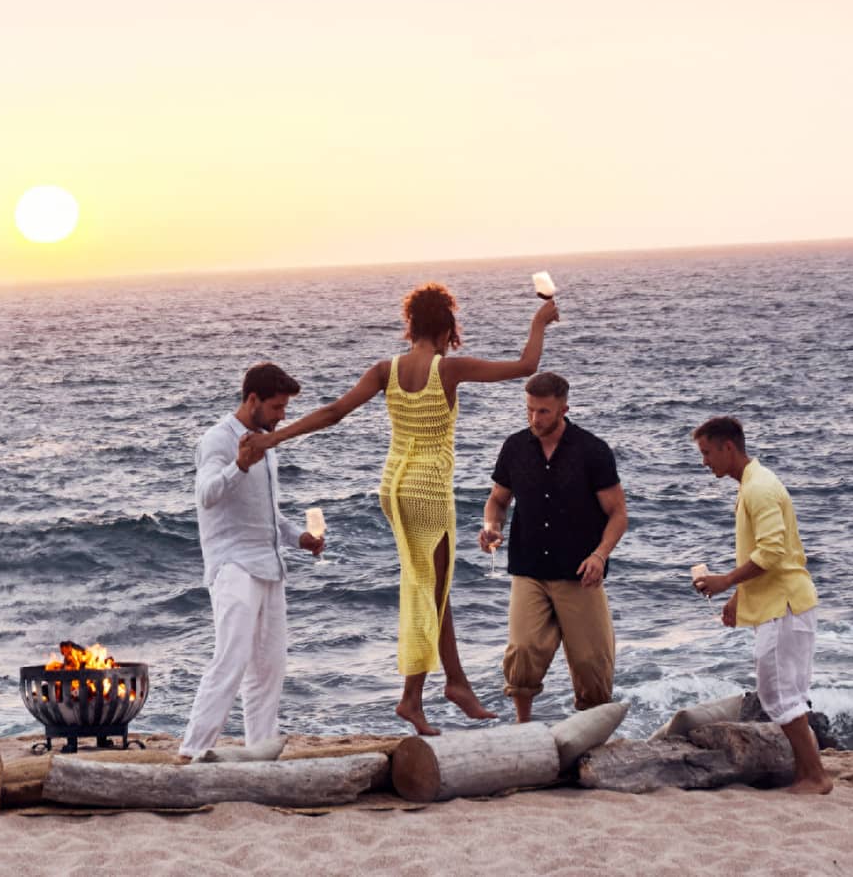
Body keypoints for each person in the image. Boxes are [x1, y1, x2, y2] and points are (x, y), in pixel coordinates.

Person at [244, 285, 559, 733]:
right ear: (446, 328)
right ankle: (414, 698)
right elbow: (527, 366)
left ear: (411, 325)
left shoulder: (385, 370)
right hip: (427, 490)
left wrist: (273, 438)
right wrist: (539, 322)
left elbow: (334, 412)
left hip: (393, 488)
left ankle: (455, 682)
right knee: (430, 591)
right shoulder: (447, 369)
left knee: (432, 587)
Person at [179, 362, 326, 759]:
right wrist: (240, 465)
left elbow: (266, 513)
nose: (283, 416)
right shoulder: (218, 440)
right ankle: (192, 750)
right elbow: (206, 494)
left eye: (285, 408)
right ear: (253, 400)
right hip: (233, 566)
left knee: (269, 667)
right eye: (277, 407)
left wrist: (299, 538)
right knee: (231, 660)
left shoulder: (265, 443)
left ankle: (259, 751)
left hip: (270, 565)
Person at [691, 416, 831, 795]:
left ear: (728, 447)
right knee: (785, 694)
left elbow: (772, 552)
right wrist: (738, 597)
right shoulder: (752, 484)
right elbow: (764, 553)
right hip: (782, 604)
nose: (704, 462)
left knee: (778, 695)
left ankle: (816, 776)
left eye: (707, 452)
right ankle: (808, 773)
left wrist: (725, 581)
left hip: (784, 607)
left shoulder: (760, 488)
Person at [479, 371, 627, 722]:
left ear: (564, 409)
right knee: (523, 651)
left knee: (592, 662)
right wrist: (491, 527)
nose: (534, 418)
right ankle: (523, 728)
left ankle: (591, 733)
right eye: (529, 410)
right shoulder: (514, 447)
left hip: (580, 573)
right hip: (529, 568)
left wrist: (600, 555)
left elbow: (618, 514)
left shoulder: (592, 451)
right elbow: (497, 500)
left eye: (543, 411)